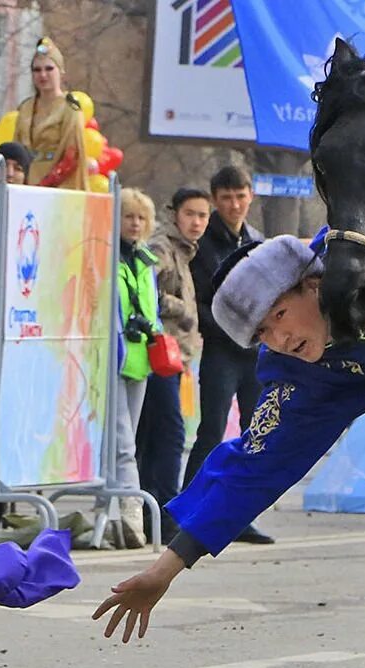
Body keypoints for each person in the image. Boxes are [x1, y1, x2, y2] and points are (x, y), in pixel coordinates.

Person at [92, 121, 365, 638]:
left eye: (277, 316)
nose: (277, 341)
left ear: (313, 283)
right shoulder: (296, 377)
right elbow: (252, 467)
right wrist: (162, 571)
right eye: (261, 335)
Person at [185, 164, 271, 544]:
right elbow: (199, 302)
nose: (235, 204)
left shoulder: (258, 240)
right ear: (215, 200)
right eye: (226, 198)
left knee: (256, 434)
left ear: (250, 196)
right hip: (220, 350)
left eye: (240, 196)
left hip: (254, 351)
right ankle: (187, 512)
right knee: (212, 431)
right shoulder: (203, 244)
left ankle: (237, 516)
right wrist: (229, 324)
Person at [140, 187, 209, 541]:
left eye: (202, 216)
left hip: (174, 357)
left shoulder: (183, 251)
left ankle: (150, 513)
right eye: (190, 214)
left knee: (155, 437)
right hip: (157, 355)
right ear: (175, 214)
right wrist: (182, 310)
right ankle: (164, 516)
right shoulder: (162, 247)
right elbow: (146, 288)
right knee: (168, 436)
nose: (196, 222)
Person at [115, 188, 162, 548]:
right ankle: (130, 513)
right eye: (128, 216)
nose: (134, 224)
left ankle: (118, 512)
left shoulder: (145, 262)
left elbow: (153, 311)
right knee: (121, 444)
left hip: (141, 359)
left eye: (141, 218)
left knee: (127, 438)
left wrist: (152, 329)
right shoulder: (107, 257)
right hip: (112, 358)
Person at [12, 37, 88, 190]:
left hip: (59, 188)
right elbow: (15, 150)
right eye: (37, 70)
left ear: (61, 71)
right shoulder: (25, 107)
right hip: (25, 184)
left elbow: (72, 157)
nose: (43, 75)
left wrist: (45, 185)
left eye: (49, 69)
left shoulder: (70, 108)